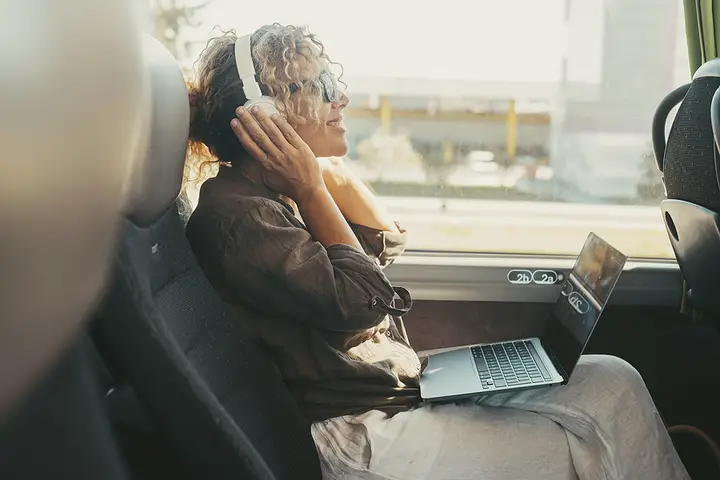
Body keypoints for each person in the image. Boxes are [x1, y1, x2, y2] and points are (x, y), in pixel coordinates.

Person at [184, 24, 690, 480]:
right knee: (581, 448)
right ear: (266, 117)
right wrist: (312, 188)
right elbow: (364, 298)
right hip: (357, 434)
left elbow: (385, 242)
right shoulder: (242, 218)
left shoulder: (277, 192)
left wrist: (321, 174)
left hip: (392, 391)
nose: (340, 98)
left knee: (613, 381)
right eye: (319, 88)